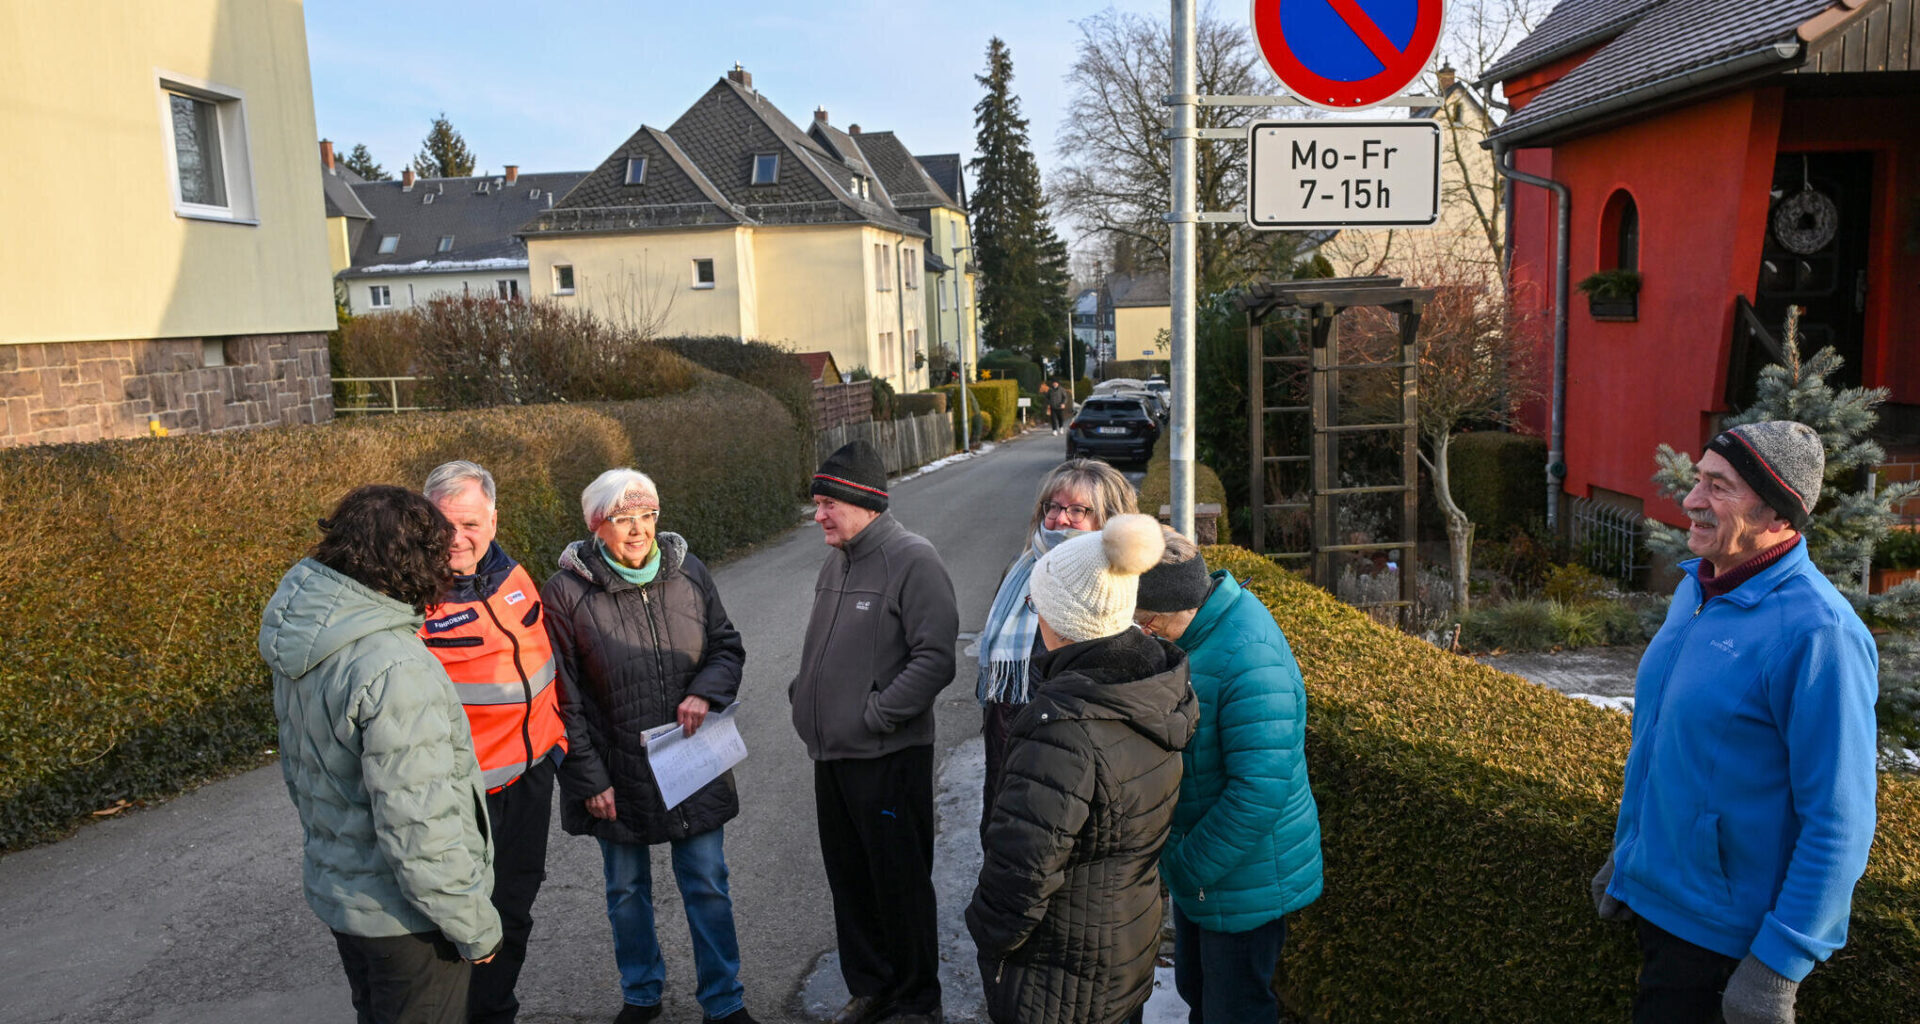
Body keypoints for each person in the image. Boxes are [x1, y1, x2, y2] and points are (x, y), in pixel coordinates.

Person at [1591, 421, 1878, 1024]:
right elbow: (1668, 743)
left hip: (1721, 949)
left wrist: (1778, 967)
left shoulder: (1819, 633)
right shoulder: (1697, 588)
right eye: (1698, 480)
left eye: (1718, 487)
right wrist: (1632, 853)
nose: (1691, 500)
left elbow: (1840, 820)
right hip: (1659, 909)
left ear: (1776, 509)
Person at [260, 485, 501, 1024]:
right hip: (407, 920)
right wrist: (473, 924)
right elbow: (420, 821)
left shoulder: (310, 634)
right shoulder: (393, 665)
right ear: (412, 564)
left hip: (345, 896)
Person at [541, 469, 757, 1024]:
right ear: (596, 526)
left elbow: (726, 646)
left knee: (708, 882)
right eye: (622, 519)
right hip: (615, 765)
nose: (638, 530)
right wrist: (589, 779)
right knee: (626, 889)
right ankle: (641, 996)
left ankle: (724, 1002)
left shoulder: (690, 573)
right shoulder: (565, 593)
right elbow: (563, 697)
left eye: (647, 516)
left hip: (692, 758)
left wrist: (706, 694)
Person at [967, 513, 1196, 1024]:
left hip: (1059, 979)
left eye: (1036, 603)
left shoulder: (1061, 728)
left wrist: (987, 938)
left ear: (1060, 617)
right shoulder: (1154, 690)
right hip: (1124, 952)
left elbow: (1019, 879)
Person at [790, 441, 959, 1024]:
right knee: (850, 880)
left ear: (861, 502)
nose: (818, 516)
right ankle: (872, 987)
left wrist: (877, 713)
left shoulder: (915, 560)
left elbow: (936, 659)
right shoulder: (836, 560)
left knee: (899, 884)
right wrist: (803, 694)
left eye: (825, 504)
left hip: (889, 756)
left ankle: (917, 1000)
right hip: (832, 755)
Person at [1134, 531, 1322, 1024]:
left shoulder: (1249, 657)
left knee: (1235, 1009)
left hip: (1242, 875)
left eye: (1145, 621)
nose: (1142, 632)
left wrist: (1186, 867)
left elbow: (1258, 793)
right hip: (1209, 868)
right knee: (1198, 990)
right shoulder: (1199, 631)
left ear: (1175, 606)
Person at [419, 461, 568, 1024]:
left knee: (514, 910)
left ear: (494, 519)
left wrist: (555, 752)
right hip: (464, 797)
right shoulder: (414, 597)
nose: (458, 538)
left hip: (529, 780)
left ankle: (494, 1012)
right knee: (458, 922)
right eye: (445, 524)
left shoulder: (514, 576)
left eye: (472, 524)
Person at [976, 458, 1136, 833]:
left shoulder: (1118, 583)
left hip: (1067, 743)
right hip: (1007, 727)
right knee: (1002, 831)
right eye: (1054, 506)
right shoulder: (1019, 569)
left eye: (1078, 510)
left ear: (1108, 518)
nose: (1060, 519)